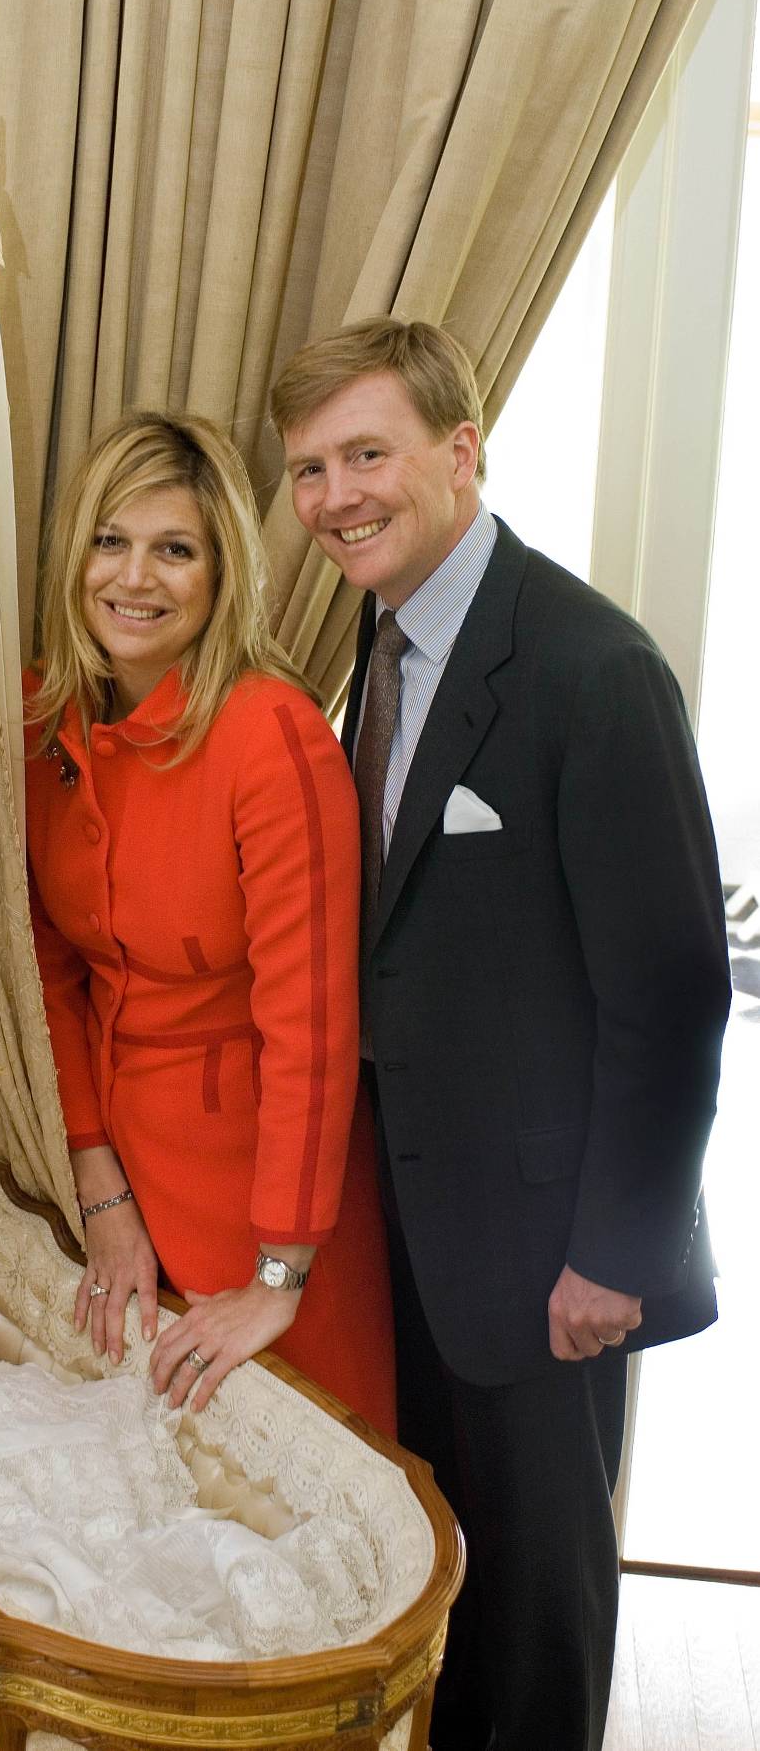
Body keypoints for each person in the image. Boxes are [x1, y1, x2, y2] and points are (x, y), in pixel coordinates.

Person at [270, 317, 731, 1751]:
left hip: (550, 1258)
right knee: (448, 1577)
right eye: (307, 469)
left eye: (365, 454)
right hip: (412, 1224)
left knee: (537, 1606)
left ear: (459, 450)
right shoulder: (382, 636)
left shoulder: (593, 668)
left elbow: (672, 994)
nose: (335, 496)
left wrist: (614, 1252)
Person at [24, 412, 394, 1433]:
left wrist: (279, 1273)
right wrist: (97, 1185)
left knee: (308, 1482)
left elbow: (311, 1027)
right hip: (117, 1176)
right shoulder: (43, 719)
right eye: (110, 541)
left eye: (174, 550)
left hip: (270, 1198)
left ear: (221, 570)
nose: (134, 577)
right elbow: (49, 973)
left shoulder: (272, 736)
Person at [0, 1332, 385, 1660]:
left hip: (82, 1491)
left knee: (181, 1543)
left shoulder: (7, 1381)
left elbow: (70, 1403)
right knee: (30, 1550)